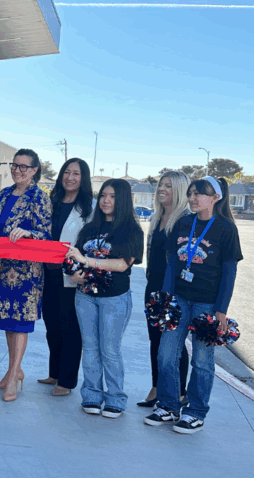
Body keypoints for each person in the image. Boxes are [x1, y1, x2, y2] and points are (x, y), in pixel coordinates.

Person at [144, 176, 242, 434]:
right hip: (179, 299)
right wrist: (166, 297)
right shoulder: (183, 222)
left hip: (207, 304)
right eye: (191, 193)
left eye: (200, 194)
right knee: (166, 354)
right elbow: (172, 263)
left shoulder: (226, 229)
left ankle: (195, 412)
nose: (193, 198)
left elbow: (229, 271)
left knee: (202, 360)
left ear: (215, 197)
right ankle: (168, 406)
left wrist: (221, 309)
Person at [65, 179, 144, 418]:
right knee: (89, 349)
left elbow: (122, 264)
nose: (106, 200)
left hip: (114, 298)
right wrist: (73, 274)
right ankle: (91, 395)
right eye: (103, 196)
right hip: (85, 296)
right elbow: (72, 257)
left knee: (110, 350)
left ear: (122, 201)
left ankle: (116, 398)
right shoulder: (89, 228)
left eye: (112, 196)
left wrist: (87, 261)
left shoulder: (131, 230)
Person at [0, 149, 52, 402]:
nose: (18, 170)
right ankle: (14, 370)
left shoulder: (39, 197)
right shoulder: (3, 193)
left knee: (20, 322)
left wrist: (28, 233)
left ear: (34, 171)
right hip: (1, 267)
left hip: (25, 272)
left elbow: (47, 233)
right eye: (15, 165)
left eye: (24, 167)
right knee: (7, 323)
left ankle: (13, 377)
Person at [39, 158, 94, 397]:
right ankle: (54, 372)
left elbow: (90, 242)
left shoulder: (89, 207)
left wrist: (83, 270)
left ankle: (67, 380)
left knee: (69, 327)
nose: (70, 177)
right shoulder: (51, 201)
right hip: (46, 272)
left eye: (77, 174)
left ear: (84, 179)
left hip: (70, 275)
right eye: (67, 172)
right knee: (52, 325)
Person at [137, 171, 191, 408]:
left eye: (168, 186)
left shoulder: (186, 220)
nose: (162, 189)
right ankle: (157, 387)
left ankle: (179, 392)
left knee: (174, 342)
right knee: (155, 339)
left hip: (175, 290)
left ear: (179, 190)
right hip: (154, 287)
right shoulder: (157, 218)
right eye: (161, 185)